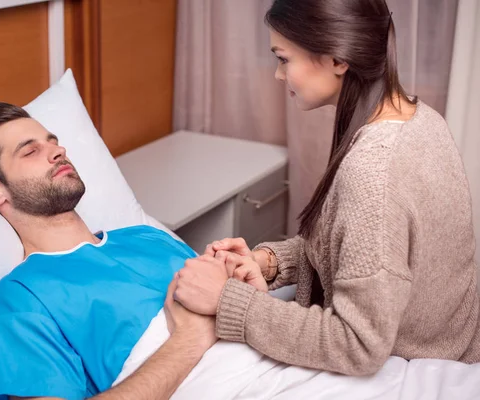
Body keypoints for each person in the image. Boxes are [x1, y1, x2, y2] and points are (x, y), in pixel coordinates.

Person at [173, 0, 480, 376]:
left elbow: (357, 344)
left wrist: (227, 301)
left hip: (423, 364)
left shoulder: (373, 171)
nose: (278, 75)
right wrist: (269, 263)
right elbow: (365, 252)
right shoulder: (417, 116)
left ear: (338, 59)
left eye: (284, 59)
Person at [0, 102, 222, 400]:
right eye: (30, 151)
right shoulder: (20, 298)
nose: (57, 152)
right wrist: (188, 340)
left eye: (52, 142)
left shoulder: (146, 236)